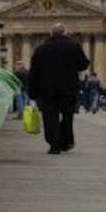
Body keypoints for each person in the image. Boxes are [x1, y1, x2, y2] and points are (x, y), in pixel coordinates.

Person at [27, 23, 90, 154]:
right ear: (65, 33)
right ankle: (66, 142)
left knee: (50, 117)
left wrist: (32, 91)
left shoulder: (41, 49)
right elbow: (83, 64)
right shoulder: (74, 46)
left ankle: (54, 145)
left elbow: (34, 72)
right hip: (68, 89)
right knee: (67, 117)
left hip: (47, 90)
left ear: (51, 34)